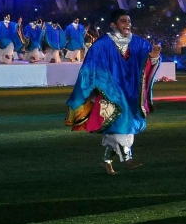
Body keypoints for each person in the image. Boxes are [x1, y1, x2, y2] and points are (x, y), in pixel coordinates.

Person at [64, 9, 162, 175]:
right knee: (123, 123)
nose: (128, 24)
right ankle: (128, 159)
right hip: (111, 90)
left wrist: (153, 57)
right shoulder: (102, 44)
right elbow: (90, 67)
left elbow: (148, 63)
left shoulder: (139, 43)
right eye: (123, 21)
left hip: (131, 92)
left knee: (118, 126)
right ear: (113, 25)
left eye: (129, 21)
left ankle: (107, 161)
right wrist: (96, 87)